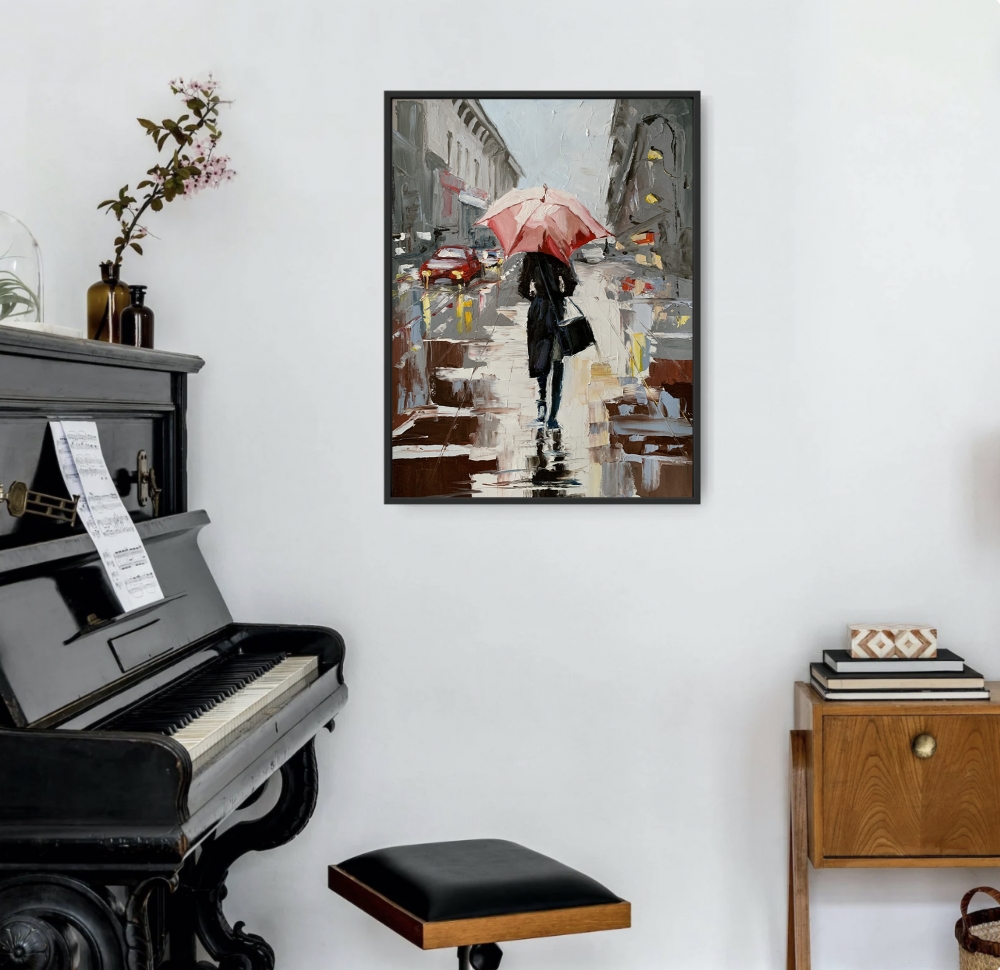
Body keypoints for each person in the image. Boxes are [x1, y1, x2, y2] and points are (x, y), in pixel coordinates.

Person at [517, 251, 578, 429]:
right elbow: (571, 285)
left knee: (540, 359)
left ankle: (542, 404)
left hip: (538, 314)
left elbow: (521, 287)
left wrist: (537, 297)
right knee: (557, 361)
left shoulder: (530, 257)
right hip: (556, 313)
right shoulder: (560, 255)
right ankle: (553, 416)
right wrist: (558, 293)